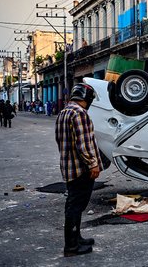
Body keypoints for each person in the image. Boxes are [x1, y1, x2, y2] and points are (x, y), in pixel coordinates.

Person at [55, 83, 103, 257]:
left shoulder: (64, 112)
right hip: (81, 169)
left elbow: (60, 141)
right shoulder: (79, 113)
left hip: (68, 167)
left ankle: (77, 238)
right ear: (86, 97)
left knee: (74, 204)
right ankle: (72, 246)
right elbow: (83, 145)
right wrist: (93, 164)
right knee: (76, 206)